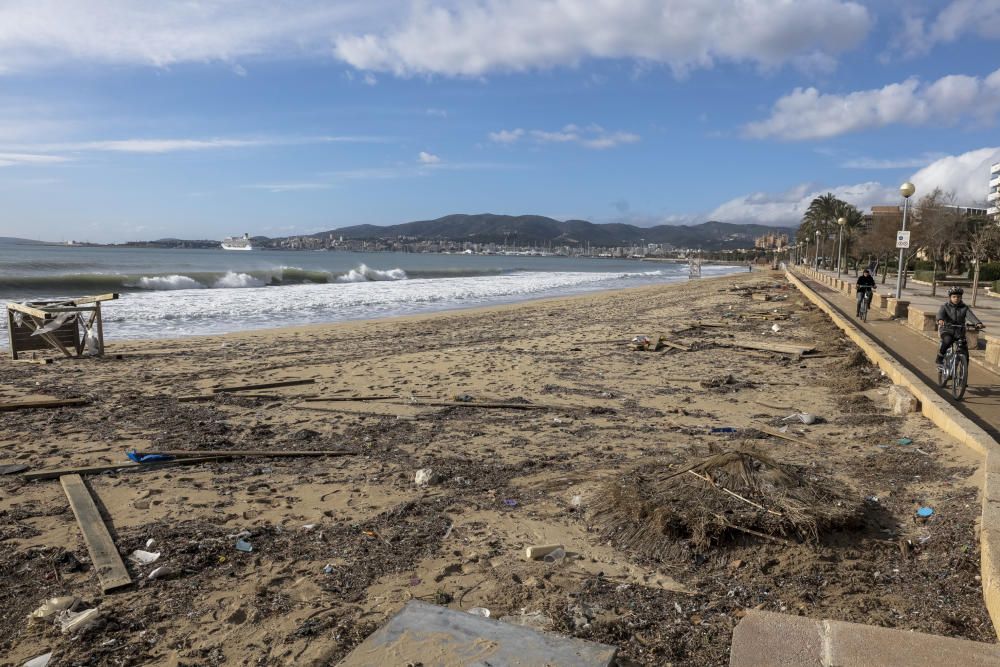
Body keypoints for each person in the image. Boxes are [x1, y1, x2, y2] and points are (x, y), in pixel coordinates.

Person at [936, 286, 985, 366]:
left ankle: (964, 367)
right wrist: (940, 320)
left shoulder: (964, 308)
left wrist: (978, 323)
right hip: (947, 330)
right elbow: (940, 315)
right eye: (954, 297)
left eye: (958, 297)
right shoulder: (945, 307)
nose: (956, 298)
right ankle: (940, 356)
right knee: (947, 340)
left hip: (959, 332)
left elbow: (971, 316)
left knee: (964, 348)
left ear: (961, 297)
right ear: (950, 297)